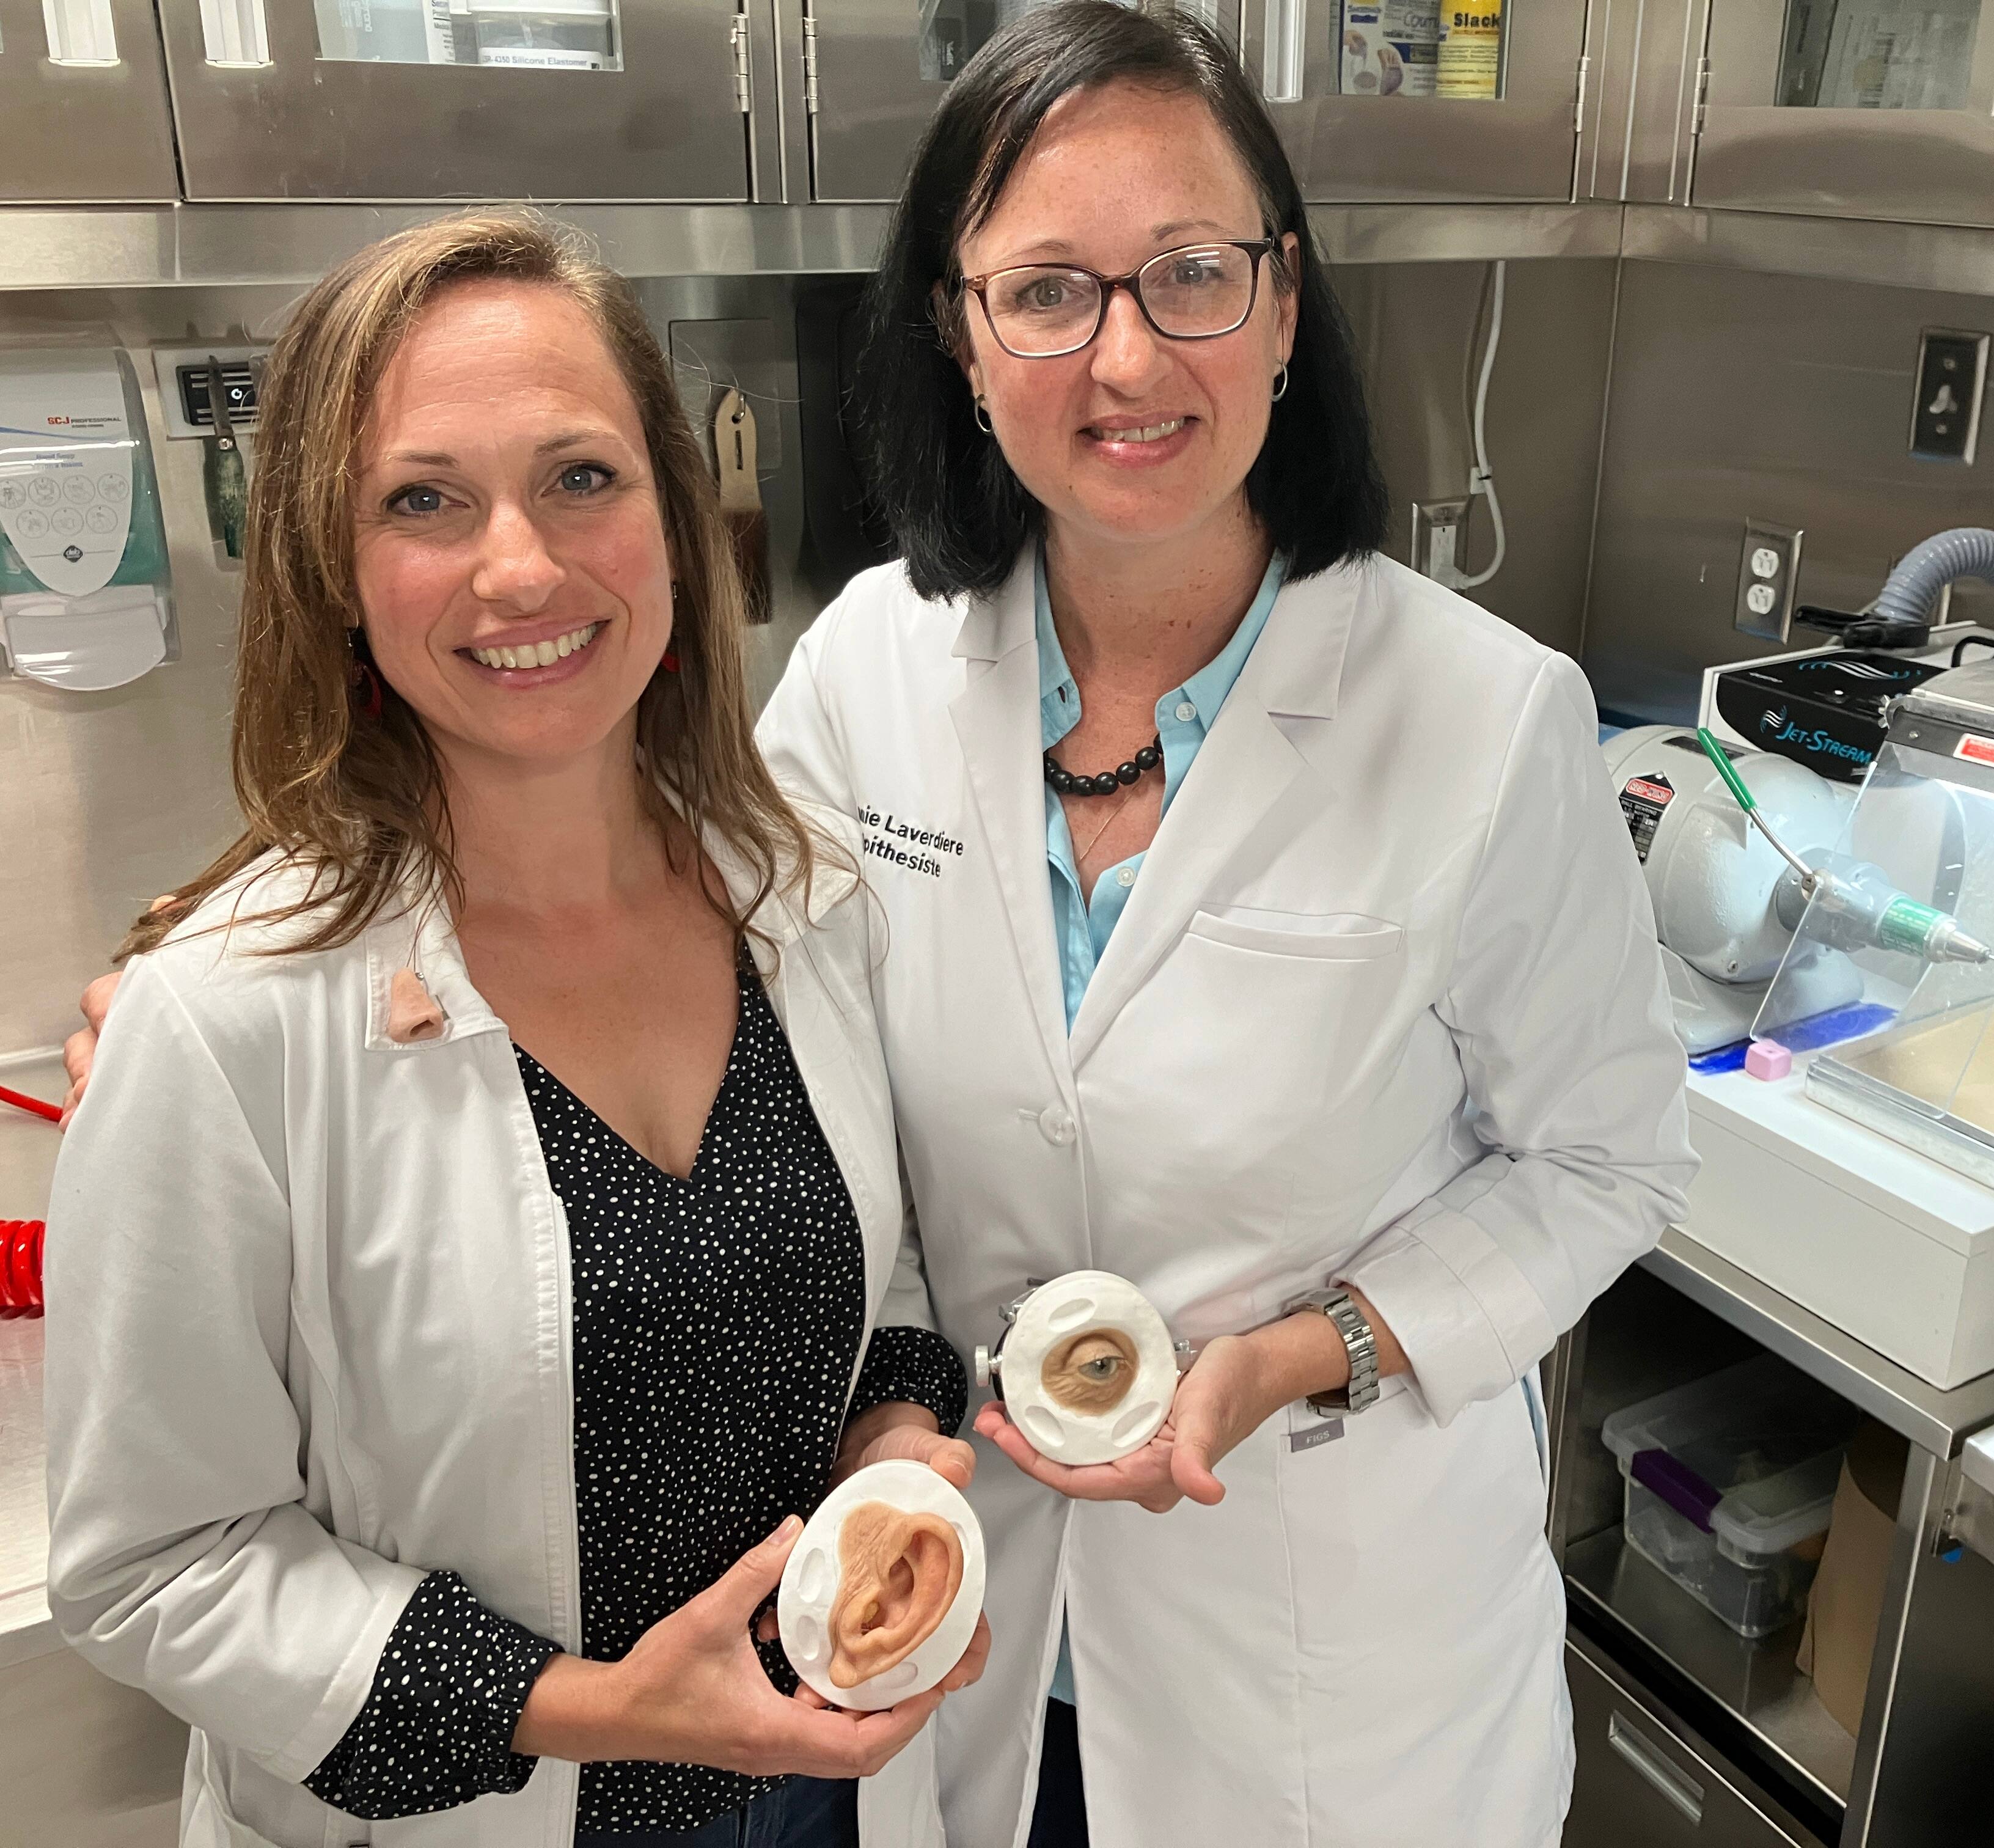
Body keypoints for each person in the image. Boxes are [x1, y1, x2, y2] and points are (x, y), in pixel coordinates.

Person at [755, 9, 1695, 1846]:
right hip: (973, 1625)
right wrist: (887, 1407)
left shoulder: (1486, 715)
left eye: (1191, 272)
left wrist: (1301, 1353)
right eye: (1047, 291)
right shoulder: (863, 674)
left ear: (1281, 304)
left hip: (1332, 1679)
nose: (1127, 356)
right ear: (959, 333)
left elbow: (1607, 1157)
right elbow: (783, 1098)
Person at [43, 213, 987, 1848]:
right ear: (334, 574)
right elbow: (157, 1566)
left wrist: (897, 1450)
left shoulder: (804, 901)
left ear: (672, 520)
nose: (524, 568)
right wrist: (600, 1710)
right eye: (424, 501)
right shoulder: (225, 1016)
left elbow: (880, 1277)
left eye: (580, 477)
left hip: (829, 1802)